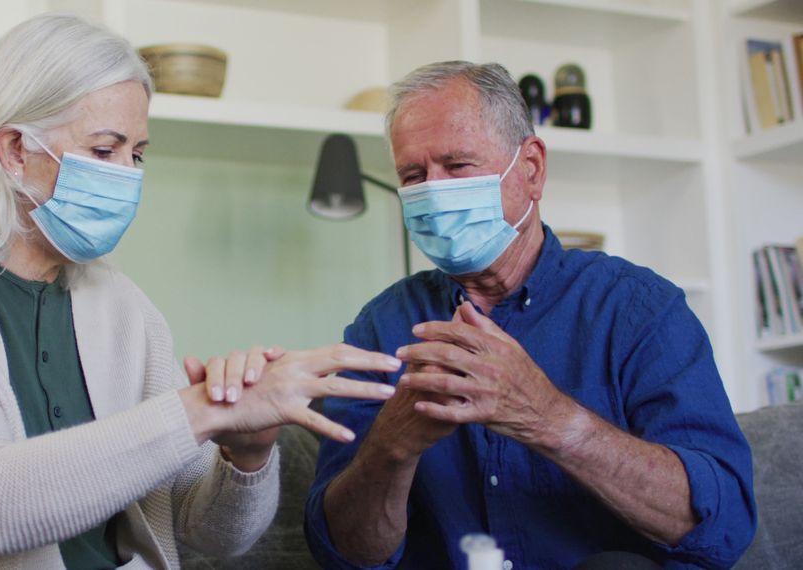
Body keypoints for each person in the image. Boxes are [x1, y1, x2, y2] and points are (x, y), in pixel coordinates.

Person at [0, 15, 401, 569]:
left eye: (137, 154)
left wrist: (246, 452)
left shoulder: (125, 307)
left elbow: (213, 535)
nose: (129, 175)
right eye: (104, 149)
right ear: (14, 151)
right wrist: (207, 409)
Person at [304, 62, 756, 569]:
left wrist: (552, 420)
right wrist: (391, 448)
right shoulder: (381, 328)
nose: (433, 191)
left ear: (532, 169)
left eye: (457, 165)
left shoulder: (639, 310)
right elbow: (346, 556)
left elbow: (724, 524)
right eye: (413, 175)